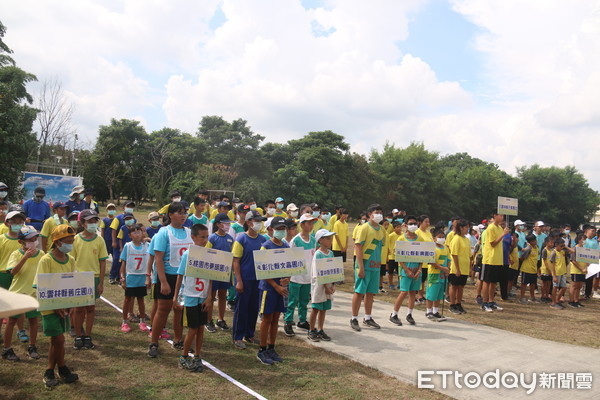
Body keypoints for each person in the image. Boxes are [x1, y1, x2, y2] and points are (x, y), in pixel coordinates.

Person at [33, 224, 79, 388]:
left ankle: (60, 369)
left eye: (72, 240)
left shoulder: (71, 260)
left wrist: (70, 304)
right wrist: (56, 305)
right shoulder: (46, 260)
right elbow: (41, 286)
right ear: (57, 242)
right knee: (57, 338)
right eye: (68, 240)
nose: (71, 243)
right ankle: (50, 370)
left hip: (64, 306)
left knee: (59, 341)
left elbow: (72, 283)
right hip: (49, 306)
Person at [148, 202, 192, 357]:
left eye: (184, 213)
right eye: (179, 212)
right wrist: (163, 282)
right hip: (168, 276)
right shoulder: (163, 233)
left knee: (179, 309)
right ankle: (154, 341)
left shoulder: (188, 232)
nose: (183, 216)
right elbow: (158, 259)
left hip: (184, 278)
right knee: (163, 309)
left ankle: (178, 339)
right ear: (170, 215)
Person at [173, 223, 211, 372]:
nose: (205, 240)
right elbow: (180, 275)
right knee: (193, 328)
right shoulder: (187, 254)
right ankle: (183, 357)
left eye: (207, 237)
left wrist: (209, 297)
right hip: (190, 296)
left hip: (203, 297)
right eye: (202, 237)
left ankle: (197, 355)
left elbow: (212, 277)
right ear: (193, 237)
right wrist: (175, 297)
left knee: (200, 328)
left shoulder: (209, 254)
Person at [2, 226, 44, 361]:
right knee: (12, 320)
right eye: (29, 240)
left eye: (35, 238)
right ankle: (7, 349)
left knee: (33, 320)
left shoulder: (41, 254)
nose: (33, 241)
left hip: (33, 293)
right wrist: (25, 257)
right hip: (18, 293)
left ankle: (32, 346)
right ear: (21, 242)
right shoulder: (16, 254)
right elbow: (13, 272)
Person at [71, 209, 108, 350]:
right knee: (79, 308)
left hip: (94, 278)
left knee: (91, 308)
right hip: (79, 278)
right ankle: (78, 335)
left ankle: (88, 335)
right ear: (82, 223)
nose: (93, 224)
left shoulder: (99, 240)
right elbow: (71, 260)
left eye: (95, 221)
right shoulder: (75, 239)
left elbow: (102, 261)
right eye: (90, 221)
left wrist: (101, 282)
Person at [231, 210, 267, 349]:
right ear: (248, 222)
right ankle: (237, 337)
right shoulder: (241, 239)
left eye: (260, 221)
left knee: (254, 308)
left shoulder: (263, 240)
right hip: (245, 279)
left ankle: (249, 334)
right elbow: (236, 262)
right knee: (242, 309)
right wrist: (238, 280)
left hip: (258, 280)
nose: (259, 224)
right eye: (256, 221)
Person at [256, 216, 289, 365]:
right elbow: (262, 270)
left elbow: (290, 267)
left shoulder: (286, 247)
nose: (282, 232)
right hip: (268, 289)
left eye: (284, 229)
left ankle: (271, 347)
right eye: (279, 229)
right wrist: (276, 286)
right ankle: (262, 350)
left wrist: (287, 278)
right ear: (271, 229)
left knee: (276, 319)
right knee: (267, 319)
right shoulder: (266, 246)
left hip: (281, 289)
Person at [351, 204, 385, 331]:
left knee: (370, 293)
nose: (379, 214)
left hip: (375, 266)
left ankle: (368, 317)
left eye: (381, 212)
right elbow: (358, 247)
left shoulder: (382, 229)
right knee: (359, 292)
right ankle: (354, 318)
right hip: (364, 265)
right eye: (376, 212)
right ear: (370, 214)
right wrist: (360, 267)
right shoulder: (364, 228)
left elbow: (381, 247)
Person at [285, 213, 316, 337]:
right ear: (302, 225)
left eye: (312, 223)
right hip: (296, 277)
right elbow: (290, 258)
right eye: (309, 223)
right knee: (292, 301)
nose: (311, 225)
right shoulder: (295, 240)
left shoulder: (313, 240)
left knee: (304, 301)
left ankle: (302, 321)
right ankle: (288, 322)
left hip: (308, 277)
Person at [389, 215, 422, 326]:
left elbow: (423, 256)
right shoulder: (401, 239)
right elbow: (399, 257)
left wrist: (419, 270)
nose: (413, 226)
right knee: (403, 292)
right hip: (405, 271)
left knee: (413, 293)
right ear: (405, 225)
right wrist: (406, 270)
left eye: (415, 224)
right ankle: (394, 314)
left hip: (416, 270)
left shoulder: (420, 239)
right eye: (411, 223)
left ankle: (409, 314)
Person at [205, 213, 234, 333]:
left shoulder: (230, 238)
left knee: (222, 295)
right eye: (224, 223)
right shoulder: (212, 238)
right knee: (211, 296)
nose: (227, 225)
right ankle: (208, 320)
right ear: (218, 224)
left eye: (228, 223)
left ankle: (220, 319)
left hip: (225, 272)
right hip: (213, 271)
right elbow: (207, 253)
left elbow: (232, 254)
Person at [0, 210, 27, 338]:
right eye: (14, 221)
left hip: (19, 275)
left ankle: (21, 330)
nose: (18, 224)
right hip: (4, 275)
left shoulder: (25, 241)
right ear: (7, 223)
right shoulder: (1, 239)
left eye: (20, 221)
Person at [119, 223, 151, 332]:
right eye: (134, 232)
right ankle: (124, 321)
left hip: (142, 277)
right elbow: (123, 263)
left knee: (141, 299)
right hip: (131, 277)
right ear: (130, 235)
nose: (137, 234)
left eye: (139, 232)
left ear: (143, 233)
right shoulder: (128, 246)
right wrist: (123, 278)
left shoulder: (147, 246)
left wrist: (148, 277)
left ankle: (142, 321)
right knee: (128, 299)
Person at [308, 228, 337, 341]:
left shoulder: (331, 253)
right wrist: (325, 286)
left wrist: (333, 284)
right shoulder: (318, 254)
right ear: (320, 240)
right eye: (327, 238)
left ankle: (320, 329)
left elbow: (334, 269)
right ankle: (311, 330)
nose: (330, 241)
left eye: (330, 238)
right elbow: (318, 272)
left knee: (324, 308)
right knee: (316, 308)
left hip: (328, 285)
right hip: (319, 286)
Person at [481, 212, 510, 312]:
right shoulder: (491, 228)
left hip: (498, 259)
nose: (502, 217)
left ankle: (491, 301)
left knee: (493, 282)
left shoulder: (499, 228)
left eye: (502, 216)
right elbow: (493, 243)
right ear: (494, 216)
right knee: (487, 281)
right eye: (500, 215)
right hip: (490, 259)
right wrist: (503, 234)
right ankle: (484, 302)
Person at [425, 229, 450, 321]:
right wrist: (443, 268)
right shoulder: (432, 248)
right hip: (434, 274)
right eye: (439, 237)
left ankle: (435, 311)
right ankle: (429, 311)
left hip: (443, 275)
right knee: (432, 293)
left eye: (443, 237)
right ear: (434, 238)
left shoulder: (446, 248)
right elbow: (431, 261)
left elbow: (448, 260)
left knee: (439, 294)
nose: (441, 239)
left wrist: (447, 269)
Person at [109, 201, 136, 284]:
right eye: (128, 206)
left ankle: (120, 277)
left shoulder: (133, 219)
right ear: (123, 207)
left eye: (131, 207)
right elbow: (114, 230)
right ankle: (112, 276)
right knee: (117, 259)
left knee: (126, 262)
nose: (130, 208)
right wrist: (114, 241)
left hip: (129, 245)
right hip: (119, 243)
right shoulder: (118, 218)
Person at [449, 219, 470, 314]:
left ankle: (458, 304)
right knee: (454, 286)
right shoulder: (456, 238)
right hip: (456, 267)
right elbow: (454, 254)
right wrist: (457, 269)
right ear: (461, 228)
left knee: (461, 287)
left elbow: (469, 254)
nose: (467, 230)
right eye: (466, 228)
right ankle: (452, 304)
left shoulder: (466, 239)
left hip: (465, 267)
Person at [415, 215, 433, 304]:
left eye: (428, 222)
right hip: (419, 259)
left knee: (424, 279)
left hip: (427, 260)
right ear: (420, 222)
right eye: (425, 222)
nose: (427, 223)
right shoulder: (417, 232)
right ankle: (418, 296)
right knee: (418, 279)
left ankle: (421, 295)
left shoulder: (428, 233)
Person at [519, 234, 540, 303]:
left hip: (533, 269)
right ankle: (522, 297)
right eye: (533, 241)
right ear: (529, 242)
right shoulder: (528, 248)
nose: (535, 242)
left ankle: (532, 297)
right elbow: (522, 257)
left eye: (535, 240)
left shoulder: (537, 248)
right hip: (526, 269)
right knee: (524, 283)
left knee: (533, 284)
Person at [568, 234, 588, 308]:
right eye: (584, 239)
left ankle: (576, 300)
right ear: (579, 240)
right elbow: (573, 261)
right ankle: (571, 301)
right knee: (574, 285)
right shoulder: (575, 249)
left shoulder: (583, 249)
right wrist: (581, 268)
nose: (585, 241)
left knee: (579, 286)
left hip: (582, 271)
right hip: (576, 270)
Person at [549, 238, 568, 309]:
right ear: (556, 245)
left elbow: (572, 251)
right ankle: (553, 302)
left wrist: (565, 246)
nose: (562, 247)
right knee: (555, 287)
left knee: (564, 287)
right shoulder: (554, 253)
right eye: (561, 246)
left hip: (562, 272)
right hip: (557, 273)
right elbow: (552, 265)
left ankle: (557, 301)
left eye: (563, 246)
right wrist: (554, 276)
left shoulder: (562, 252)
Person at [583, 226, 599, 300]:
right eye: (591, 231)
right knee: (582, 278)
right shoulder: (583, 239)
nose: (593, 233)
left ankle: (587, 294)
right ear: (587, 231)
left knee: (590, 278)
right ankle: (581, 290)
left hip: (591, 262)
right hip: (583, 261)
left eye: (594, 231)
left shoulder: (595, 241)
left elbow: (597, 251)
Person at [386, 220, 403, 290]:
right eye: (397, 227)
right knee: (390, 272)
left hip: (400, 256)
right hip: (392, 256)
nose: (399, 228)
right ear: (394, 228)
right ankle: (390, 283)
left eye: (400, 227)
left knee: (400, 271)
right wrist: (387, 256)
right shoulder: (390, 236)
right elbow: (387, 245)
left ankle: (400, 283)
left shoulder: (403, 235)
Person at [540, 238, 554, 303]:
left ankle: (547, 295)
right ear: (546, 243)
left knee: (549, 283)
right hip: (545, 270)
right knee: (544, 283)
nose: (552, 244)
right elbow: (545, 261)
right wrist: (548, 269)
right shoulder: (544, 250)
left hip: (550, 270)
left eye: (552, 243)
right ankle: (543, 296)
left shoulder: (552, 251)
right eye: (550, 243)